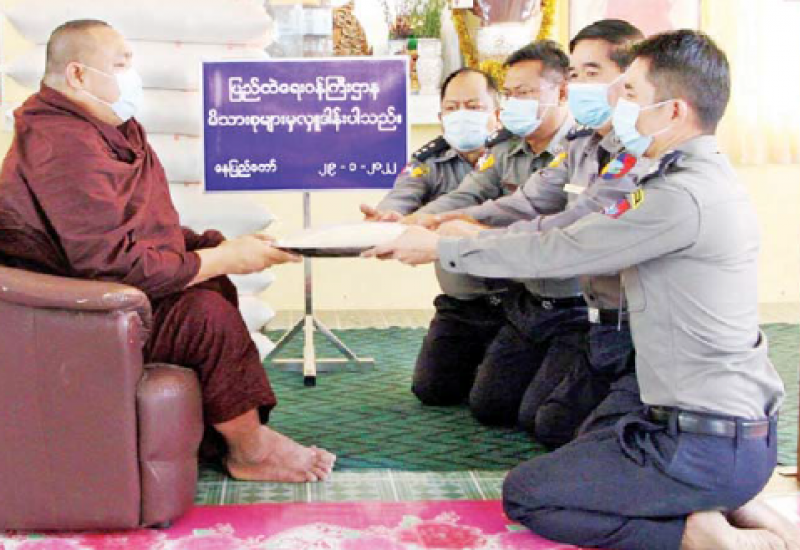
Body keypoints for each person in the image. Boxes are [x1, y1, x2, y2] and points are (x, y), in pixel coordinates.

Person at [366, 30, 799, 550]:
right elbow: (550, 221)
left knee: (529, 493)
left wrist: (445, 248)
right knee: (573, 437)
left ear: (674, 111)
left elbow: (565, 248)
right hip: (706, 423)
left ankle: (697, 531)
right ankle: (732, 498)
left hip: (701, 438)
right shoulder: (694, 176)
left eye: (631, 92)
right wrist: (444, 231)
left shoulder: (680, 196)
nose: (617, 100)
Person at [0, 19, 335, 483]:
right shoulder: (61, 145)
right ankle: (250, 452)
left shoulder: (111, 130)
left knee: (211, 286)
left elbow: (144, 228)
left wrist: (215, 248)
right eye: (121, 64)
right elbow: (107, 264)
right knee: (204, 318)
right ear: (77, 75)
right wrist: (221, 258)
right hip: (74, 314)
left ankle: (227, 437)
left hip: (112, 291)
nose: (132, 76)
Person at [426, 19, 648, 447]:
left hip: (616, 319)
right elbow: (526, 201)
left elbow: (574, 224)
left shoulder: (638, 151)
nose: (580, 84)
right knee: (490, 406)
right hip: (557, 305)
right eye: (576, 73)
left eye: (592, 72)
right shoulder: (581, 146)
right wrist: (434, 222)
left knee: (549, 425)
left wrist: (468, 239)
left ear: (630, 79)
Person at [408, 41, 591, 437]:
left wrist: (465, 234)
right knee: (486, 406)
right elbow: (482, 196)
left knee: (542, 421)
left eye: (523, 93)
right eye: (509, 94)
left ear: (561, 92)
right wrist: (420, 221)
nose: (513, 103)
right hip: (528, 301)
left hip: (575, 306)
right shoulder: (506, 147)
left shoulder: (583, 149)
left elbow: (556, 225)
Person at [361, 68, 509, 406]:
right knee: (433, 390)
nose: (462, 115)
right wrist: (388, 219)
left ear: (497, 112)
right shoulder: (429, 161)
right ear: (440, 117)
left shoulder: (515, 155)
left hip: (517, 300)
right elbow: (402, 197)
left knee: (496, 402)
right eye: (452, 108)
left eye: (473, 106)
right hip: (461, 304)